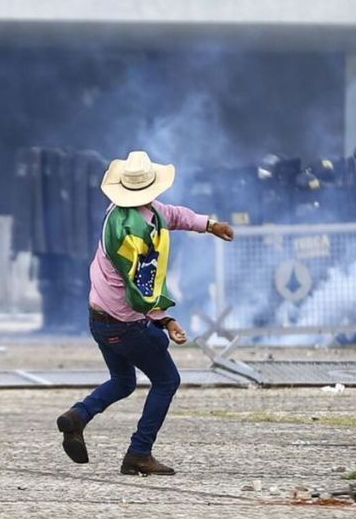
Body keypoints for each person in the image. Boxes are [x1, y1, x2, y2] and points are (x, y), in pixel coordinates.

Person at [56, 151, 234, 475]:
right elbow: (141, 288)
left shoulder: (131, 211)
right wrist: (166, 320)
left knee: (123, 381)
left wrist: (208, 224)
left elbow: (174, 215)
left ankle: (78, 416)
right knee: (167, 379)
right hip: (124, 322)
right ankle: (139, 452)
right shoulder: (130, 235)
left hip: (99, 318)